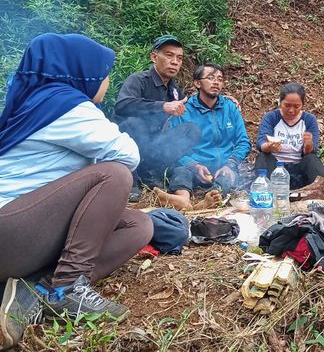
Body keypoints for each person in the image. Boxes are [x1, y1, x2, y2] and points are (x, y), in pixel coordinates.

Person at [0, 34, 153, 349]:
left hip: (23, 232)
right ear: (83, 73)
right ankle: (67, 288)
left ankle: (34, 290)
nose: (108, 81)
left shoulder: (39, 101)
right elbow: (129, 154)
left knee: (140, 225)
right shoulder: (63, 104)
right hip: (10, 231)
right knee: (115, 175)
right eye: (105, 73)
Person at [154, 64, 251, 211]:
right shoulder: (184, 109)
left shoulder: (230, 108)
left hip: (222, 166)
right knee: (181, 172)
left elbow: (243, 141)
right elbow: (173, 147)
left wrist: (230, 164)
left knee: (227, 178)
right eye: (211, 78)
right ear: (197, 83)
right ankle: (182, 199)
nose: (216, 82)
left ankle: (209, 199)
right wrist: (194, 164)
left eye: (220, 79)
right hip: (194, 167)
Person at [113, 35, 200, 182]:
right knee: (135, 123)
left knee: (191, 130)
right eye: (169, 55)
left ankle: (150, 171)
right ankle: (130, 176)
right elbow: (122, 105)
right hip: (126, 142)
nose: (175, 62)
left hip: (154, 143)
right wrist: (162, 106)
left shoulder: (173, 89)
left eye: (179, 58)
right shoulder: (139, 79)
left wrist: (222, 99)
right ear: (154, 57)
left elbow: (189, 104)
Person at [256, 83, 324, 189]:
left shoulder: (309, 120)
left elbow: (311, 152)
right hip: (275, 168)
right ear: (280, 102)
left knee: (312, 159)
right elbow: (261, 143)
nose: (291, 110)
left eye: (296, 106)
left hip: (299, 169)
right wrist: (269, 146)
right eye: (287, 105)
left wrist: (309, 145)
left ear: (302, 105)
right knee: (263, 157)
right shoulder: (271, 118)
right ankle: (265, 190)